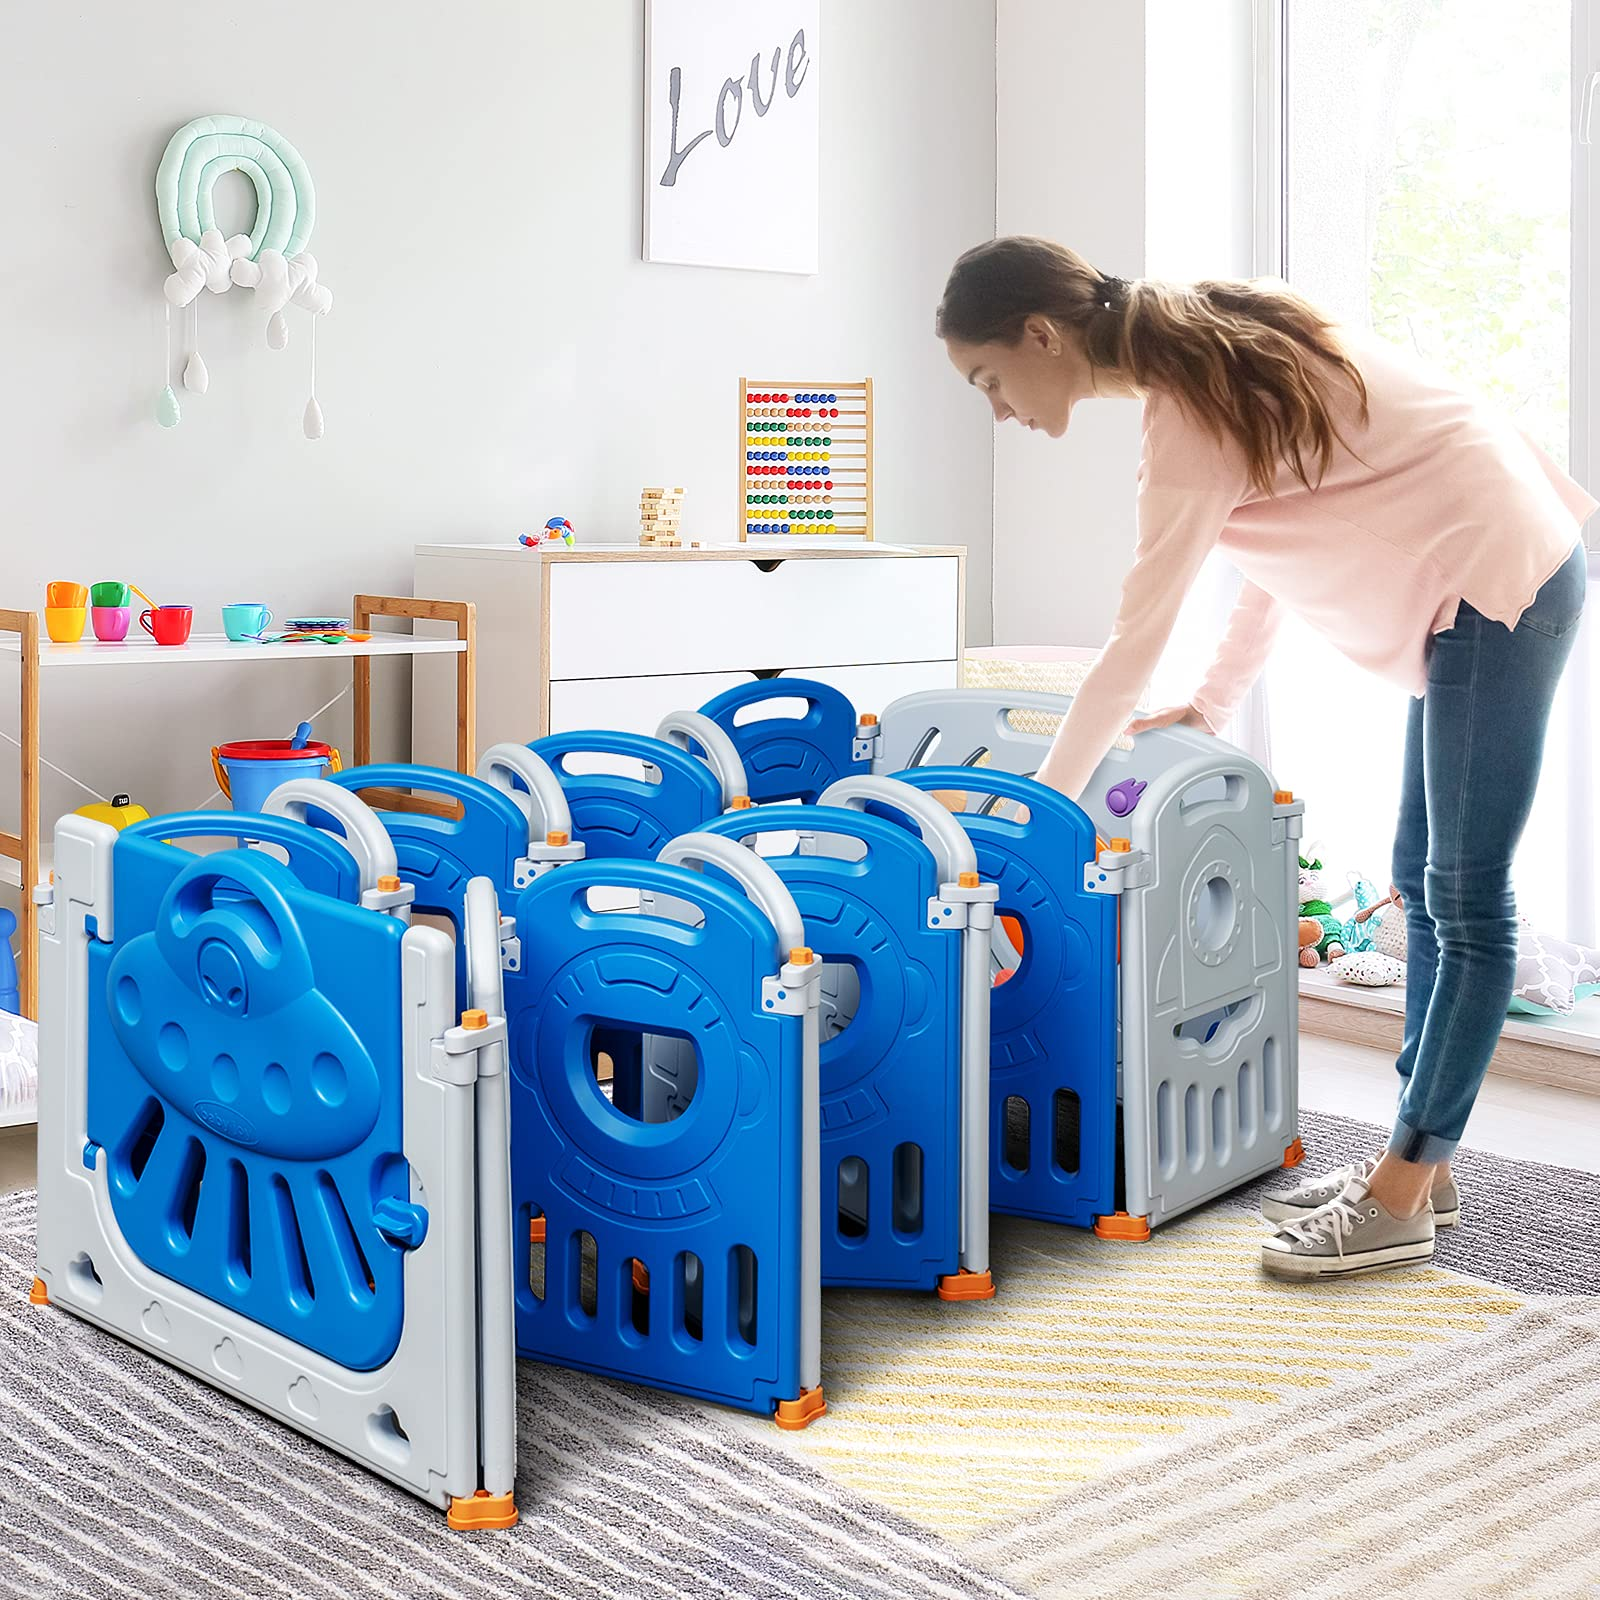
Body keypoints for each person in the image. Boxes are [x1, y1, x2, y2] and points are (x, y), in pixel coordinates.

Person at [937, 235, 1594, 1279]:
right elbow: (1272, 548)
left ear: (1039, 333)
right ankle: (1422, 1164)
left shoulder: (1185, 411)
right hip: (1484, 572)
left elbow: (1128, 645)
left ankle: (1401, 1196)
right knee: (1422, 885)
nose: (999, 407)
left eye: (987, 379)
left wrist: (1031, 817)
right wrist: (1212, 699)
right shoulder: (1214, 337)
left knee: (1464, 898)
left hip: (1499, 578)